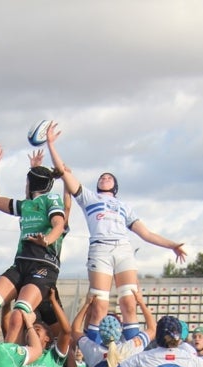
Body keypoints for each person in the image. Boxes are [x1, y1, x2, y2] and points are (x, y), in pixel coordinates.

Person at [44, 122, 186, 338]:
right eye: (102, 176)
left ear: (115, 186)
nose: (105, 177)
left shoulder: (124, 206)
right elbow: (63, 172)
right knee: (99, 305)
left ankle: (132, 352)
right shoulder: (89, 198)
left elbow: (146, 234)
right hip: (100, 249)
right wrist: (51, 144)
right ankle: (94, 355)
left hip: (123, 249)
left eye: (109, 177)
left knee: (129, 302)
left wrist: (172, 245)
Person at [0, 143, 67, 345]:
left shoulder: (50, 199)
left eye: (27, 182)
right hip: (21, 264)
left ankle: (8, 362)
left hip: (43, 265)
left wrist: (46, 240)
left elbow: (58, 224)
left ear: (31, 185)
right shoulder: (25, 206)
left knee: (19, 314)